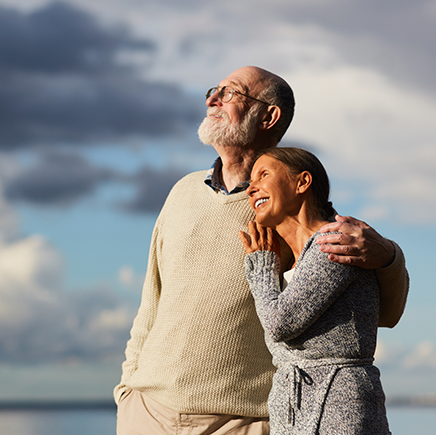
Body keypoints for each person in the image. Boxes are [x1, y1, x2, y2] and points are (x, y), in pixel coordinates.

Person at [114, 66, 408, 435]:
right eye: (213, 90)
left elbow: (382, 313)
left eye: (230, 93)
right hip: (147, 413)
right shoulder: (182, 192)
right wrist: (128, 390)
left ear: (268, 116)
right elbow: (151, 300)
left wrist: (389, 256)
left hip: (242, 422)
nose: (212, 100)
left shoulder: (289, 208)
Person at [240, 147, 390, 434]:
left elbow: (279, 324)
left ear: (302, 182)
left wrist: (260, 267)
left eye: (264, 175)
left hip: (337, 403)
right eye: (250, 181)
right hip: (293, 407)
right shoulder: (293, 259)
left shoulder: (336, 242)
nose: (251, 188)